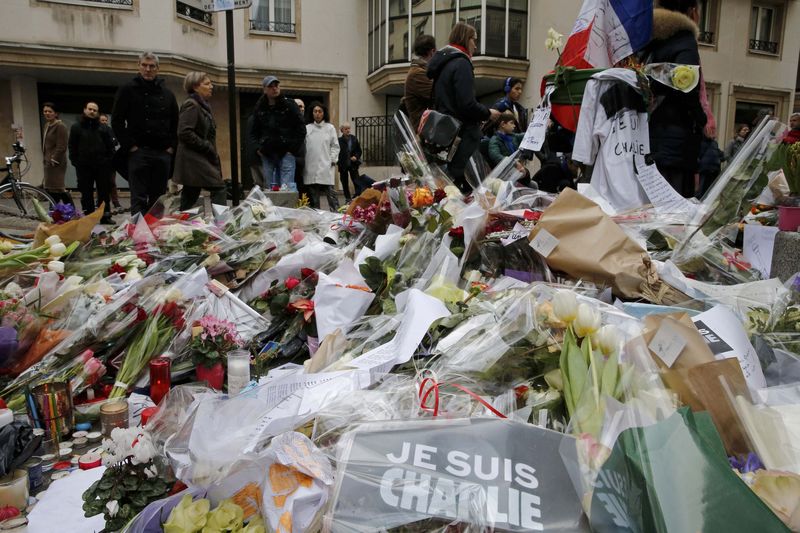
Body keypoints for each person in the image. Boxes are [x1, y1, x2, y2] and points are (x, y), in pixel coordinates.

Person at [641, 0, 706, 198]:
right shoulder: (684, 40)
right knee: (672, 213)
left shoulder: (648, 41)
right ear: (692, 11)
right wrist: (700, 118)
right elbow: (687, 88)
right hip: (675, 143)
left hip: (646, 137)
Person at [427, 22, 500, 193]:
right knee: (473, 189)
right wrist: (488, 113)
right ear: (466, 39)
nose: (475, 44)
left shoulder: (444, 64)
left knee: (450, 186)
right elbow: (466, 103)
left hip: (448, 135)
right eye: (474, 40)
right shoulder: (461, 63)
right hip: (464, 137)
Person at [111, 51, 179, 215]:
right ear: (139, 66)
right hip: (138, 152)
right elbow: (117, 121)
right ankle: (138, 235)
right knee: (138, 197)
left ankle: (155, 233)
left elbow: (175, 123)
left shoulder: (167, 94)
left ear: (157, 68)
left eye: (151, 66)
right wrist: (130, 146)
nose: (148, 69)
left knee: (158, 199)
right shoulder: (127, 90)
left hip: (162, 153)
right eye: (144, 65)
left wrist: (171, 147)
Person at [173, 72, 227, 211]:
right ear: (196, 87)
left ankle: (180, 223)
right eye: (207, 84)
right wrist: (206, 146)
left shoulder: (202, 105)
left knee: (190, 194)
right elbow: (184, 132)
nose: (211, 86)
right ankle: (223, 224)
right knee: (218, 187)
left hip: (197, 158)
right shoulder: (192, 105)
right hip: (194, 159)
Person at [247, 75, 305, 192]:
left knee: (287, 189)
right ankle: (272, 210)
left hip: (287, 152)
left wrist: (292, 149)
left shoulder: (289, 105)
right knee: (270, 189)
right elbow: (253, 131)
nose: (274, 88)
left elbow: (301, 128)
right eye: (271, 86)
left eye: (276, 85)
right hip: (267, 153)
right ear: (265, 89)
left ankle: (286, 209)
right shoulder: (260, 107)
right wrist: (259, 149)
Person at [68, 101, 116, 223]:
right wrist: (75, 161)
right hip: (84, 167)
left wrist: (108, 162)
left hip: (102, 166)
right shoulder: (76, 127)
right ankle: (89, 217)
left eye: (95, 110)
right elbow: (72, 146)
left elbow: (110, 146)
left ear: (97, 113)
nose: (92, 111)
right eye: (90, 109)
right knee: (86, 192)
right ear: (85, 110)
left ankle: (105, 216)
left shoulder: (103, 128)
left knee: (104, 192)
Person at [303, 102, 340, 211]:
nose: (318, 114)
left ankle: (336, 218)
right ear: (312, 113)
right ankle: (317, 220)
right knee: (314, 199)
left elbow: (335, 146)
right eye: (315, 111)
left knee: (332, 197)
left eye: (320, 111)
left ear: (324, 113)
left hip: (326, 166)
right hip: (311, 167)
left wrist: (333, 159)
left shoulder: (330, 128)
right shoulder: (307, 128)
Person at [401, 34, 436, 132]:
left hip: (427, 131)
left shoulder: (418, 71)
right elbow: (439, 94)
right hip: (426, 133)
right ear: (432, 52)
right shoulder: (417, 73)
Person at [40, 102, 72, 206]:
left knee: (58, 188)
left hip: (56, 163)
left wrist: (54, 159)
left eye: (50, 111)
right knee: (51, 189)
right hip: (48, 162)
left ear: (56, 113)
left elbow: (62, 146)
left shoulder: (60, 126)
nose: (47, 113)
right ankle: (54, 211)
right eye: (45, 111)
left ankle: (71, 210)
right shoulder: (47, 125)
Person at [99, 113, 122, 209]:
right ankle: (101, 202)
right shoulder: (96, 130)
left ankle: (115, 202)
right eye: (102, 120)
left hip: (111, 161)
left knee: (112, 182)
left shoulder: (110, 130)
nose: (104, 122)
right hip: (100, 161)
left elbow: (115, 142)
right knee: (100, 183)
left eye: (105, 120)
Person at [337, 122, 362, 202]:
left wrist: (356, 157)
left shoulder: (354, 138)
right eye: (346, 129)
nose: (348, 130)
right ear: (342, 130)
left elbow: (359, 151)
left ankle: (357, 197)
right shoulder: (339, 141)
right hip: (343, 165)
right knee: (344, 183)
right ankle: (348, 199)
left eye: (349, 128)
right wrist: (339, 162)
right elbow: (336, 152)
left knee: (356, 181)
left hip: (353, 164)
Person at [293, 98, 308, 198]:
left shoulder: (306, 123)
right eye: (299, 106)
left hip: (303, 161)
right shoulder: (289, 123)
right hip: (291, 160)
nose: (302, 109)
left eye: (303, 107)